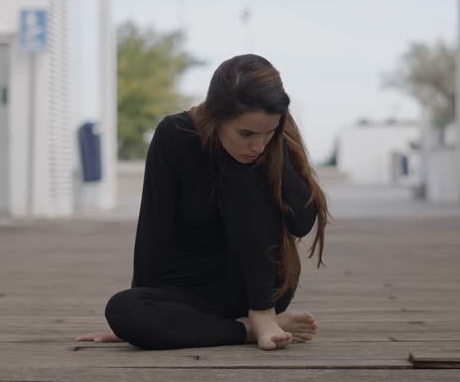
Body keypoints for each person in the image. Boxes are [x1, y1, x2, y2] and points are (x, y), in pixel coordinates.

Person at [77, 54, 330, 351]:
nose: (257, 145)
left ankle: (262, 317)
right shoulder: (176, 136)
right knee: (122, 309)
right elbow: (154, 228)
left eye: (268, 132)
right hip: (190, 289)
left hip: (260, 287)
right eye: (246, 133)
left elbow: (301, 223)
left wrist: (275, 153)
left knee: (245, 178)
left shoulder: (271, 146)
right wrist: (142, 306)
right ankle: (246, 329)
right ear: (216, 115)